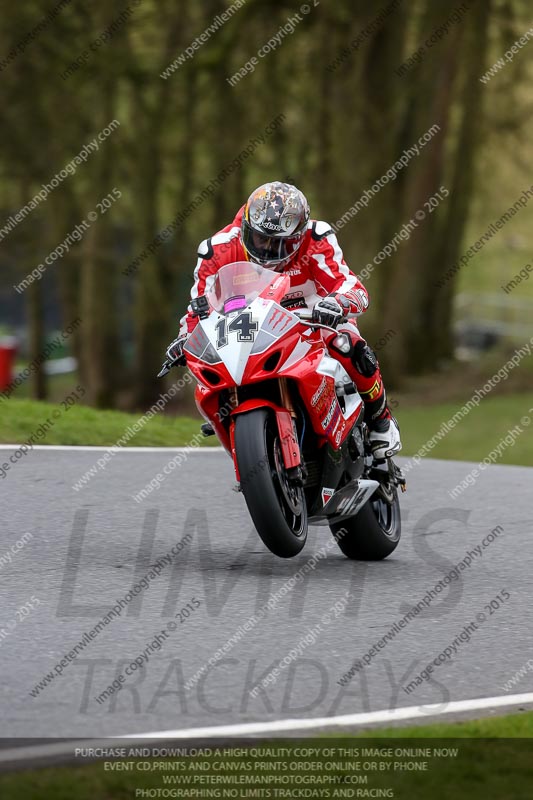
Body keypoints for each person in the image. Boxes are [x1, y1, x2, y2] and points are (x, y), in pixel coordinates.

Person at [166, 181, 401, 460]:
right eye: (260, 239)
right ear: (246, 229)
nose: (267, 250)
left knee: (348, 345)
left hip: (314, 318)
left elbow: (352, 287)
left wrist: (337, 304)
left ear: (299, 235)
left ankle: (381, 421)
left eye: (280, 243)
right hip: (254, 328)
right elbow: (198, 308)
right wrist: (184, 339)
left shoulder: (317, 238)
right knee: (215, 380)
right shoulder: (216, 250)